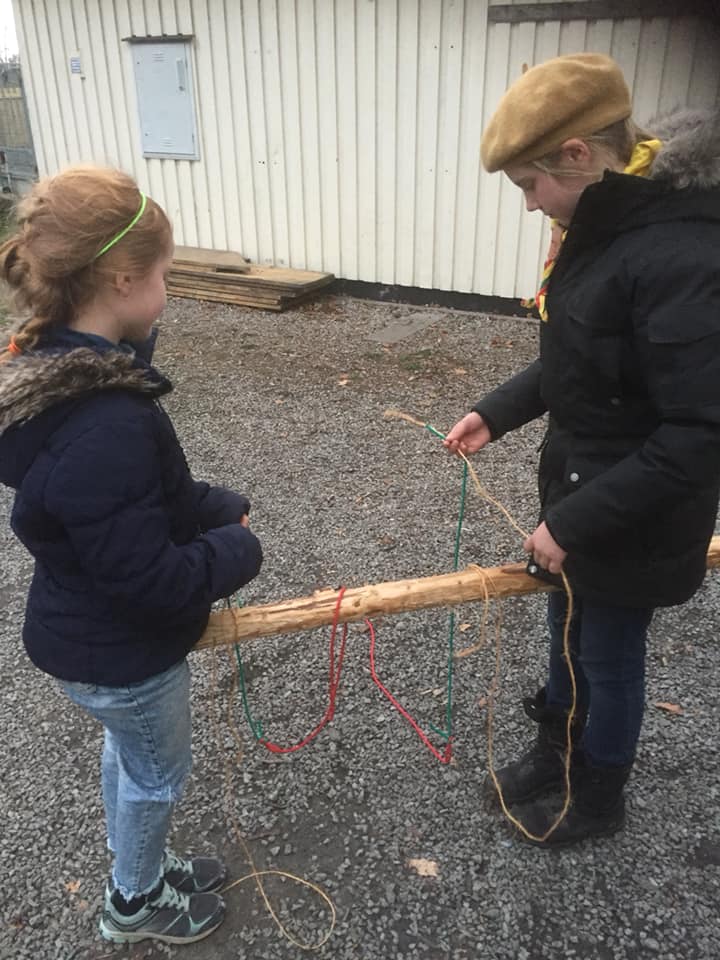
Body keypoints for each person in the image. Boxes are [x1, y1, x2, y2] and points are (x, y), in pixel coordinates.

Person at [444, 53, 720, 846]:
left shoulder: (682, 253)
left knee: (608, 653)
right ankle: (556, 753)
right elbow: (581, 353)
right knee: (564, 632)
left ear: (576, 154)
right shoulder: (600, 228)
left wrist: (573, 523)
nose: (531, 204)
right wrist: (496, 412)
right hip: (581, 494)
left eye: (530, 185)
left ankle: (599, 798)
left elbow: (698, 434)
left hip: (636, 518)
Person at [0, 166, 263, 942]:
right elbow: (149, 579)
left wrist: (213, 507)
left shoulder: (59, 376)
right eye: (164, 275)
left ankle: (137, 866)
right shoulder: (104, 418)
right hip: (124, 657)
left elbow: (135, 502)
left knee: (131, 759)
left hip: (88, 639)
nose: (167, 291)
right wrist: (236, 550)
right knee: (155, 775)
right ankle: (135, 902)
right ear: (121, 280)